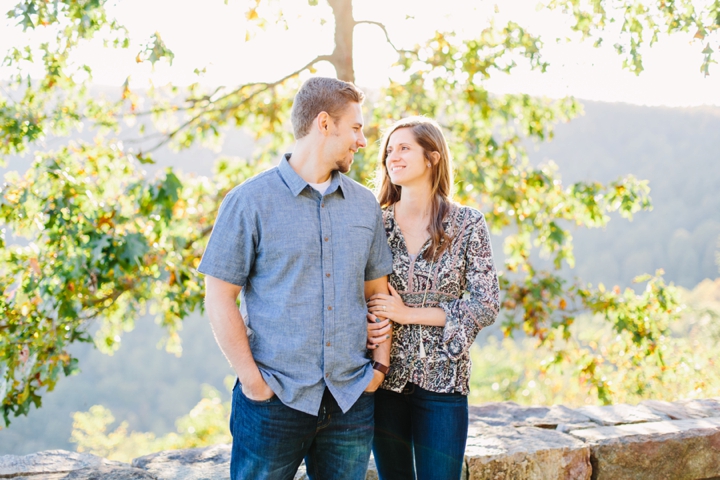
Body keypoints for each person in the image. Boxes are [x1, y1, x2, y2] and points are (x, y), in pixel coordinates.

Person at [198, 77, 393, 480]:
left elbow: (377, 293)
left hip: (350, 401)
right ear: (324, 123)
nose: (362, 140)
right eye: (356, 127)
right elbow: (219, 297)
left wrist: (378, 370)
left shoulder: (364, 205)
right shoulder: (249, 201)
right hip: (273, 402)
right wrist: (254, 384)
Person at [366, 116, 501, 480]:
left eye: (404, 148)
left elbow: (486, 304)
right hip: (383, 379)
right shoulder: (373, 223)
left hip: (444, 380)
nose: (392, 157)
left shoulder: (468, 223)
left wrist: (408, 313)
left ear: (433, 157)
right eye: (388, 151)